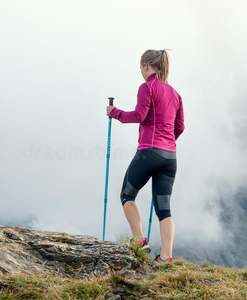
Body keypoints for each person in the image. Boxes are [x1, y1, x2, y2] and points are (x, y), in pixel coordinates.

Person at [106, 49, 184, 263]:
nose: (140, 71)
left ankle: (140, 241)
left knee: (127, 195)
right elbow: (180, 126)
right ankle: (166, 258)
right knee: (164, 209)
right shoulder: (176, 94)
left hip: (148, 152)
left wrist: (115, 113)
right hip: (170, 157)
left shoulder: (147, 87)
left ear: (147, 66)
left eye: (140, 67)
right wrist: (167, 142)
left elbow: (140, 115)